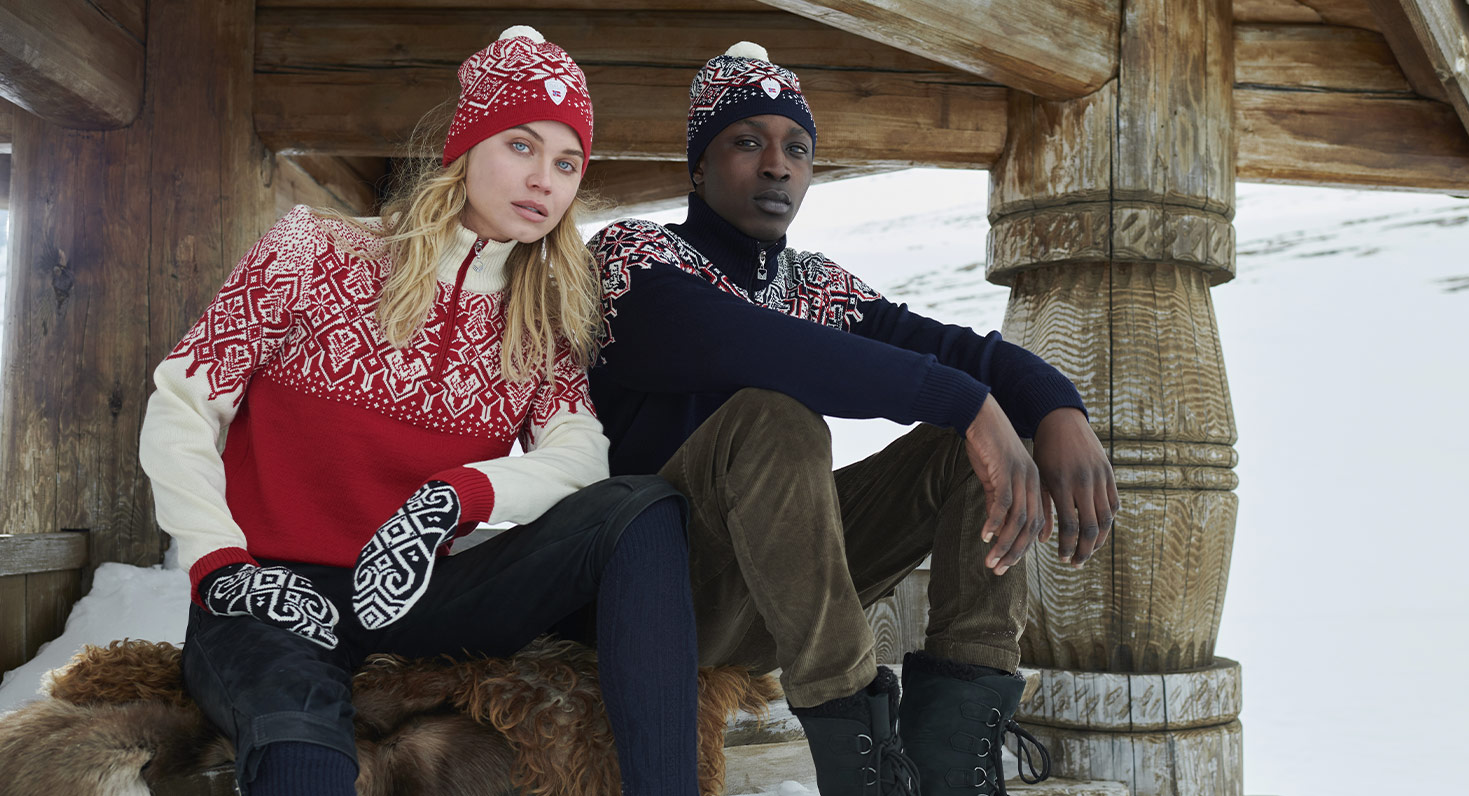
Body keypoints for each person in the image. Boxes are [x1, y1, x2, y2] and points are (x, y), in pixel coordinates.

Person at [139, 26, 697, 796]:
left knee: (640, 505)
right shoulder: (314, 251)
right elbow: (183, 403)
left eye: (567, 163)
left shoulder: (541, 315)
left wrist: (450, 500)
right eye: (522, 146)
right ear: (466, 147)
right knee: (305, 754)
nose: (545, 180)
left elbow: (580, 457)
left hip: (411, 596)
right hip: (264, 598)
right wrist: (221, 564)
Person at [586, 42, 1119, 796]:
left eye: (797, 149)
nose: (778, 166)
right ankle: (859, 774)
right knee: (773, 416)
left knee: (965, 452)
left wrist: (1056, 406)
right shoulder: (632, 260)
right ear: (698, 167)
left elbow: (953, 349)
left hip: (778, 596)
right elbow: (760, 346)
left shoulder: (812, 284)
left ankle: (951, 764)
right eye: (747, 142)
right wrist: (967, 402)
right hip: (661, 594)